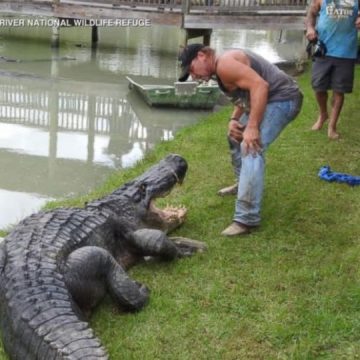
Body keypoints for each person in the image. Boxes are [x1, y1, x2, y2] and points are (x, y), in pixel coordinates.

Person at [178, 44, 303, 236]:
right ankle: (242, 184)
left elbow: (260, 86)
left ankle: (247, 219)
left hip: (283, 99)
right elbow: (246, 94)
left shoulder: (224, 64)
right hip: (270, 99)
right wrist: (234, 119)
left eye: (191, 69)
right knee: (235, 137)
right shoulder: (220, 68)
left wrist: (252, 127)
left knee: (250, 146)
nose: (193, 76)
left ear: (202, 56)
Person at [306, 0, 360, 139]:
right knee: (319, 87)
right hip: (323, 49)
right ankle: (323, 114)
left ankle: (332, 126)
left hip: (346, 51)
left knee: (339, 90)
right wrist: (310, 28)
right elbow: (311, 14)